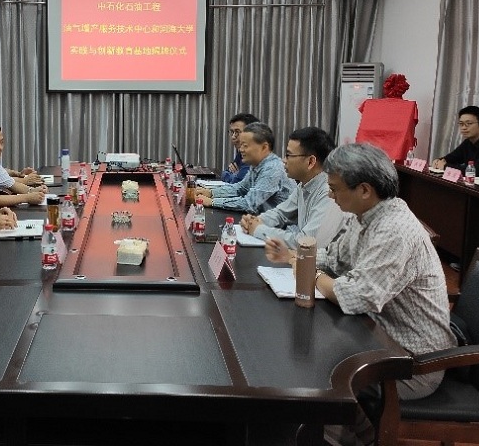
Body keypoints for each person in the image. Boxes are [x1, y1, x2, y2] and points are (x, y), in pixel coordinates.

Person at [266, 143, 455, 444]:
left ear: (364, 190)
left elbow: (355, 296)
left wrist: (311, 275)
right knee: (303, 354)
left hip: (411, 363)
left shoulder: (394, 230)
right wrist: (294, 255)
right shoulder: (365, 216)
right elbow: (335, 259)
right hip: (375, 337)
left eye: (335, 189)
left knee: (318, 371)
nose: (330, 196)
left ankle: (332, 437)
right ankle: (357, 434)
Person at [241, 126, 341, 249]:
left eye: (288, 155)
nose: (284, 160)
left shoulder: (329, 192)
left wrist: (258, 230)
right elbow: (280, 214)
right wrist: (254, 221)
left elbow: (307, 243)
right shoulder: (304, 185)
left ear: (310, 162)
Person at [195, 122, 295, 213]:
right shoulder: (257, 165)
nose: (241, 150)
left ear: (264, 147)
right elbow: (240, 188)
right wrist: (211, 193)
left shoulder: (272, 169)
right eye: (241, 145)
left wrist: (212, 202)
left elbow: (249, 203)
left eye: (245, 146)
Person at [431, 105, 479, 180]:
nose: (463, 128)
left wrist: (445, 166)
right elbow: (451, 158)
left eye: (468, 124)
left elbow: (477, 171)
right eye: (461, 124)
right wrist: (438, 161)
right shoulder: (468, 142)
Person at [221, 113, 260, 183]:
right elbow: (224, 173)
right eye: (232, 132)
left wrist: (235, 176)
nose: (233, 137)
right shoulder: (242, 151)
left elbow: (239, 182)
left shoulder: (254, 155)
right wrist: (235, 175)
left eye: (237, 132)